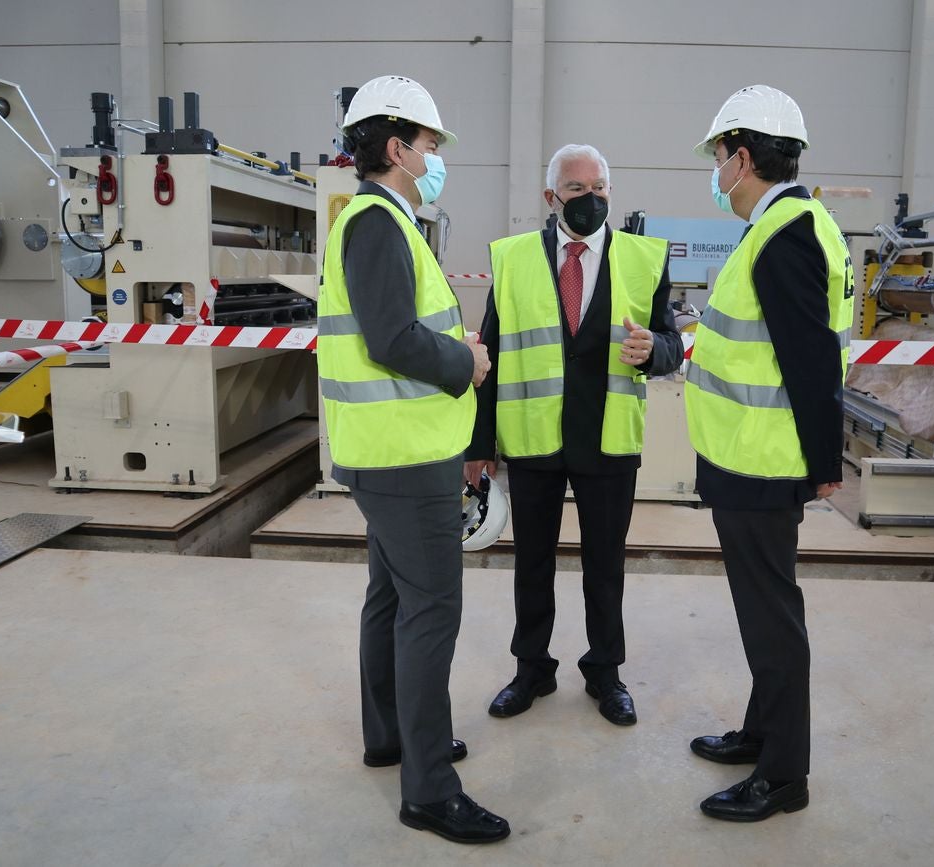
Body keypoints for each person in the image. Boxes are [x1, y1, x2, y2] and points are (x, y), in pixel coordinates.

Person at [317, 74, 508, 845]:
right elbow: (391, 338)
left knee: (392, 601)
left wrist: (448, 348)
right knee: (432, 612)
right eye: (431, 146)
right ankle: (429, 788)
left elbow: (391, 331)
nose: (437, 159)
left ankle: (392, 736)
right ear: (397, 147)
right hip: (407, 456)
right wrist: (465, 363)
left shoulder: (381, 221)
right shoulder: (377, 225)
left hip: (386, 451)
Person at [466, 144, 683, 727]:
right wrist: (479, 445)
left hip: (609, 439)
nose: (591, 199)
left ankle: (605, 672)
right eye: (577, 189)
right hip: (534, 438)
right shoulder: (512, 261)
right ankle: (531, 667)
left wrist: (654, 351)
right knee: (531, 561)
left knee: (604, 563)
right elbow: (489, 353)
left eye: (600, 187)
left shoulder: (643, 258)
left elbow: (670, 342)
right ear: (550, 198)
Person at [683, 85, 854, 822]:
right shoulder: (786, 225)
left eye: (719, 156)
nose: (716, 171)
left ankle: (784, 775)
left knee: (772, 619)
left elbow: (811, 359)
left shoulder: (784, 234)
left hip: (764, 461)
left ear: (744, 156)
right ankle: (762, 732)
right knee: (762, 614)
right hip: (746, 457)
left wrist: (823, 466)